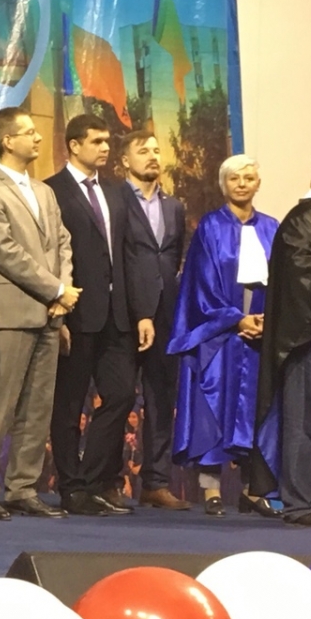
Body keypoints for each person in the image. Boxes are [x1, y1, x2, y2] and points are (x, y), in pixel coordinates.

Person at [0, 107, 76, 519]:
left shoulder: (44, 191)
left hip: (51, 312)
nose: (37, 137)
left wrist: (62, 293)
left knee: (38, 407)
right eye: (29, 132)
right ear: (7, 141)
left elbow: (62, 242)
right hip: (13, 310)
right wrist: (56, 288)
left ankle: (22, 488)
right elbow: (5, 252)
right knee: (2, 402)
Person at [168, 155, 279, 517]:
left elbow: (282, 282)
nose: (242, 184)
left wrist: (267, 321)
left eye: (248, 178)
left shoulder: (272, 228)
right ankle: (211, 490)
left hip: (260, 337)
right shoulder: (210, 227)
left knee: (254, 411)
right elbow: (201, 284)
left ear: (258, 183)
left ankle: (251, 490)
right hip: (220, 335)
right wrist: (237, 320)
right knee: (213, 409)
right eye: (235, 178)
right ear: (223, 184)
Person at [46, 115, 143, 516]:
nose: (105, 148)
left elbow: (128, 252)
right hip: (75, 313)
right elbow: (50, 254)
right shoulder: (52, 190)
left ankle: (95, 481)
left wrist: (140, 313)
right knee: (68, 406)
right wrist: (57, 315)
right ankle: (71, 488)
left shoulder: (117, 191)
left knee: (121, 394)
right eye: (97, 141)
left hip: (117, 316)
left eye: (107, 141)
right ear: (74, 145)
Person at [119, 130, 191, 510]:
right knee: (118, 397)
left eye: (156, 150)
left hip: (166, 313)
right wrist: (137, 309)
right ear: (125, 160)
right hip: (124, 313)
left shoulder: (174, 207)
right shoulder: (115, 199)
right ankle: (107, 481)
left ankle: (156, 483)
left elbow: (172, 258)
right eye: (142, 150)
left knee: (161, 398)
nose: (152, 156)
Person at [253, 149, 311, 526]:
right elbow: (303, 276)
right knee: (304, 420)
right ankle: (303, 500)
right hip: (307, 340)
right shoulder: (303, 220)